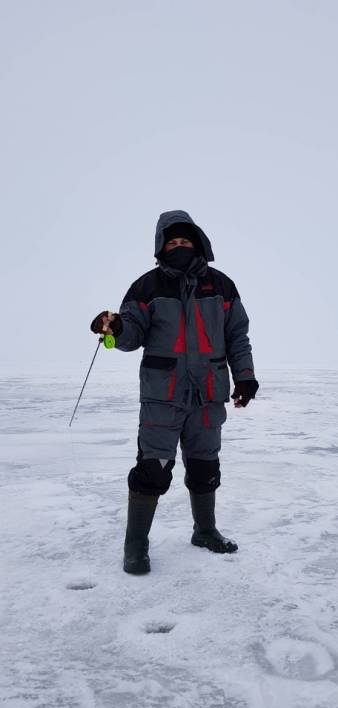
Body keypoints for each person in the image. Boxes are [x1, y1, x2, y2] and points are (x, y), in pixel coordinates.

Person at [91, 210, 259, 575]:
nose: (179, 247)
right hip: (162, 394)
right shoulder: (146, 287)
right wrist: (115, 328)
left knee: (205, 466)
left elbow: (237, 337)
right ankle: (135, 548)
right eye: (172, 242)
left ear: (197, 243)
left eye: (185, 241)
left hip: (208, 394)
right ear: (160, 246)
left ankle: (205, 531)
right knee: (153, 468)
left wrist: (245, 377)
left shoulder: (222, 286)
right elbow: (132, 335)